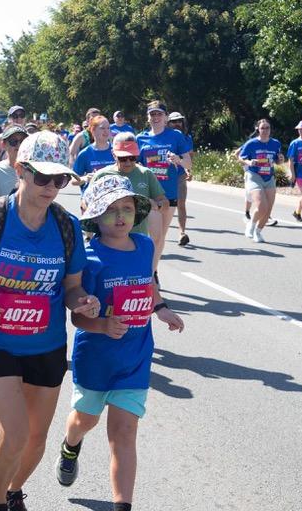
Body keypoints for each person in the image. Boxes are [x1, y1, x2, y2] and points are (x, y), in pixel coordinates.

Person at [0, 131, 99, 511]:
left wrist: (84, 302)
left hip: (47, 344)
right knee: (13, 435)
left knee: (36, 440)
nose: (51, 187)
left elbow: (73, 289)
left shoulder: (66, 226)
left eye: (59, 179)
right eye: (41, 177)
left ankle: (14, 491)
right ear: (19, 170)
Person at [55, 174, 184, 509]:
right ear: (96, 217)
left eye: (127, 207)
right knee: (86, 419)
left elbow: (147, 282)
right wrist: (101, 324)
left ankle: (122, 505)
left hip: (135, 357)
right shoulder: (89, 256)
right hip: (96, 357)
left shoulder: (144, 246)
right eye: (111, 210)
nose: (121, 215)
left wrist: (162, 308)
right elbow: (77, 317)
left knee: (124, 434)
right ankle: (70, 445)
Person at [137, 100, 194, 264]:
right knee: (154, 236)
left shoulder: (175, 136)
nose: (156, 117)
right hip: (148, 193)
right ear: (147, 117)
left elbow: (188, 163)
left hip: (169, 192)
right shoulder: (140, 138)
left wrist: (178, 159)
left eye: (159, 114)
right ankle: (149, 271)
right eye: (152, 114)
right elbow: (135, 164)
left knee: (161, 236)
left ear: (166, 117)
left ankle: (153, 272)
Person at [90, 133, 167, 247]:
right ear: (113, 154)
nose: (128, 162)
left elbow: (165, 203)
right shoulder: (102, 175)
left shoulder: (145, 174)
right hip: (106, 240)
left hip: (137, 242)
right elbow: (86, 205)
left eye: (132, 158)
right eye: (123, 158)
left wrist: (155, 204)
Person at [238, 119, 284, 243]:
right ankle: (251, 225)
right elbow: (240, 158)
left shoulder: (275, 143)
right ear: (258, 129)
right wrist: (249, 161)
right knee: (262, 206)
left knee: (268, 209)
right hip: (255, 176)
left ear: (270, 129)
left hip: (269, 177)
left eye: (267, 128)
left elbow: (278, 160)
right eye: (262, 128)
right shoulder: (251, 143)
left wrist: (281, 159)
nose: (265, 130)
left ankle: (258, 231)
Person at [71, 115, 115, 192]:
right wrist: (85, 178)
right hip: (92, 199)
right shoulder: (85, 153)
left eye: (108, 128)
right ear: (93, 130)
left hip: (114, 198)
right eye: (102, 128)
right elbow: (73, 181)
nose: (106, 131)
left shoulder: (116, 151)